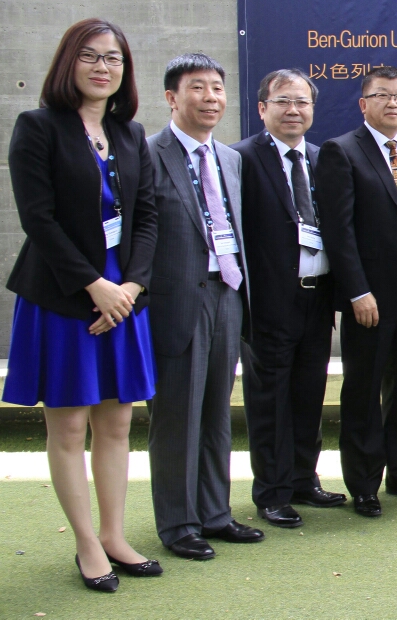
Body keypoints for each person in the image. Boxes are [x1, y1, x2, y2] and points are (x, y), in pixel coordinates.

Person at [4, 19, 160, 591]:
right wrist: (95, 286)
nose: (103, 67)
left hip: (125, 297)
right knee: (69, 427)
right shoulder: (38, 126)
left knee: (117, 424)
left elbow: (148, 217)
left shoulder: (130, 133)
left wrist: (132, 288)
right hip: (66, 294)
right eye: (90, 56)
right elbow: (38, 219)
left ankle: (115, 534)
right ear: (68, 62)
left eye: (114, 58)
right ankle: (87, 544)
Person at [316, 66, 397, 518]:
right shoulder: (341, 151)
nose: (393, 103)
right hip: (369, 297)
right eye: (383, 95)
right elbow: (339, 232)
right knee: (364, 388)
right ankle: (363, 484)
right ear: (363, 103)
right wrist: (357, 291)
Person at [147, 53, 261, 558]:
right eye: (198, 87)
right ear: (171, 97)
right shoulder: (148, 155)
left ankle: (215, 513)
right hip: (175, 302)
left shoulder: (230, 159)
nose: (211, 98)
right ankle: (178, 524)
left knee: (216, 412)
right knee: (177, 416)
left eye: (217, 88)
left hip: (228, 294)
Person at [231, 69, 345, 529]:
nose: (293, 110)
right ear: (263, 108)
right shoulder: (241, 159)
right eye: (283, 101)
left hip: (317, 298)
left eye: (302, 102)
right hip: (269, 302)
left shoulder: (322, 158)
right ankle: (272, 492)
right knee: (269, 401)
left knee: (308, 394)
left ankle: (303, 479)